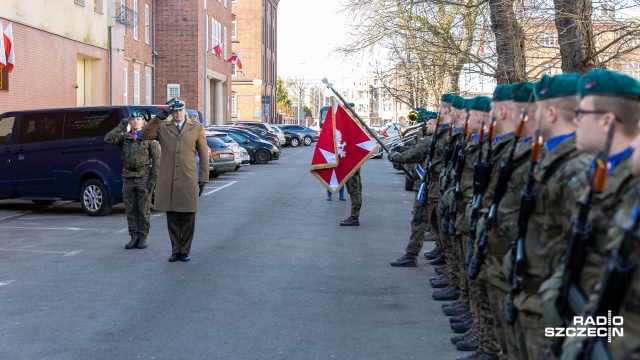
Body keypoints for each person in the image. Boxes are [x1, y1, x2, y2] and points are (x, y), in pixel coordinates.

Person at [139, 99, 210, 262]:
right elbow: (143, 135)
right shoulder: (163, 127)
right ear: (171, 112)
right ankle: (175, 250)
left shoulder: (196, 128)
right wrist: (158, 118)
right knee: (172, 217)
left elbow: (204, 155)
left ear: (185, 110)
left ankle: (185, 250)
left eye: (180, 110)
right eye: (174, 111)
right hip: (168, 179)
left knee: (187, 217)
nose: (177, 113)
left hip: (188, 178)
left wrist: (203, 178)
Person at [104, 110, 160, 250]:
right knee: (130, 209)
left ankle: (143, 237)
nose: (135, 121)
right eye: (133, 119)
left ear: (143, 122)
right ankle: (133, 236)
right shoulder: (124, 137)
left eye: (138, 119)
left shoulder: (149, 138)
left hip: (143, 177)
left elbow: (157, 159)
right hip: (128, 177)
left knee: (143, 209)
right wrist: (120, 126)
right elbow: (108, 138)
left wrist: (153, 178)